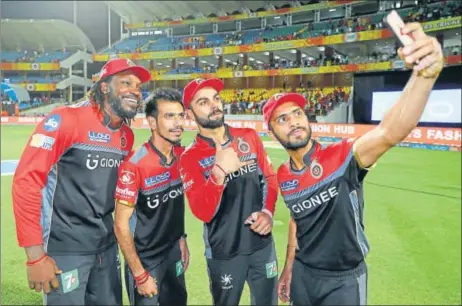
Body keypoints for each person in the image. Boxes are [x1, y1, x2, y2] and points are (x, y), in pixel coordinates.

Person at [264, 22, 443, 306]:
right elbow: (298, 219)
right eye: (281, 119)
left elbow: (389, 132)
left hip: (344, 281)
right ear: (272, 133)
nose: (293, 121)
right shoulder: (284, 174)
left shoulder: (342, 156)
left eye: (297, 113)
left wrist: (424, 76)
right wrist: (289, 267)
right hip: (304, 276)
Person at [12, 58, 151, 305]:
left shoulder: (126, 136)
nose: (135, 91)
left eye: (138, 86)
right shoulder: (66, 118)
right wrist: (35, 256)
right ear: (105, 87)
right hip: (64, 250)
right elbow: (27, 181)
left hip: (106, 249)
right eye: (126, 82)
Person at [179, 78, 279, 305]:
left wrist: (267, 212)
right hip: (224, 252)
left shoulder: (249, 136)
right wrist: (218, 172)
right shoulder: (189, 158)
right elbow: (202, 212)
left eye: (215, 98)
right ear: (190, 115)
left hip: (262, 246)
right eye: (203, 102)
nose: (214, 105)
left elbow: (270, 179)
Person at [114, 88, 189, 306]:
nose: (178, 123)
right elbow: (120, 225)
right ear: (152, 122)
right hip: (145, 260)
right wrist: (139, 274)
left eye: (180, 115)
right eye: (169, 116)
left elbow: (175, 203)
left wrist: (181, 237)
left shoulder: (181, 156)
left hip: (173, 252)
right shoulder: (134, 165)